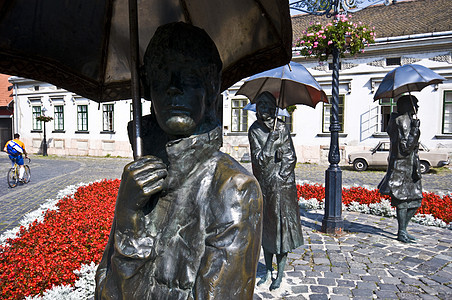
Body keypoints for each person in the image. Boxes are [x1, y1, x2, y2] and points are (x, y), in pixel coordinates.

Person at [95, 22, 263, 300]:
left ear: (210, 88)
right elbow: (105, 293)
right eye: (162, 74)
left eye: (188, 74)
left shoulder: (233, 189)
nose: (173, 87)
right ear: (149, 88)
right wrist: (129, 218)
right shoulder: (138, 182)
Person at [248, 91, 304, 290]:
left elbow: (290, 156)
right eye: (259, 106)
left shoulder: (281, 127)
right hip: (264, 186)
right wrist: (271, 142)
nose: (262, 109)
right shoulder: (254, 130)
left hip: (282, 186)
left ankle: (279, 274)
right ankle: (269, 270)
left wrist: (281, 175)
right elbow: (260, 160)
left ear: (273, 108)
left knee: (281, 232)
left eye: (265, 106)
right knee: (267, 230)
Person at [378, 95, 422, 243]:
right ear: (408, 105)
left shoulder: (400, 120)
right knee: (403, 199)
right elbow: (405, 148)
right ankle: (402, 231)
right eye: (415, 104)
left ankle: (403, 230)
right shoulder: (402, 121)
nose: (417, 107)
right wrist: (415, 130)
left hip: (410, 166)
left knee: (416, 200)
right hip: (402, 167)